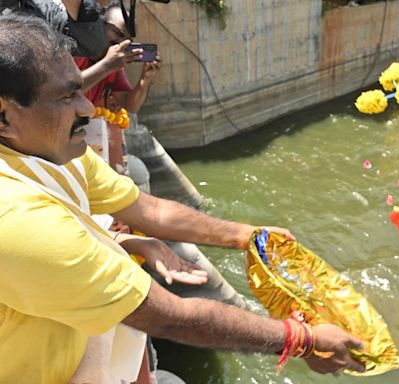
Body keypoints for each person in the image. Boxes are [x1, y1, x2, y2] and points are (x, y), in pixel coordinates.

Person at [0, 14, 365, 383]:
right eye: (66, 96)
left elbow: (149, 209)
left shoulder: (50, 151)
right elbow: (167, 315)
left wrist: (246, 236)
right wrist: (302, 340)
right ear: (4, 116)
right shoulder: (15, 216)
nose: (88, 109)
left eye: (81, 89)